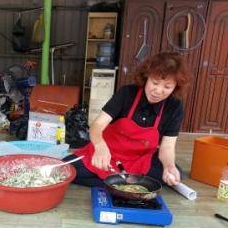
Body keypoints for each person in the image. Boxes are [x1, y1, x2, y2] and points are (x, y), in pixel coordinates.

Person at [65, 51, 189, 187]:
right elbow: (97, 125)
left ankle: (114, 180)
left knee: (174, 174)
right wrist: (100, 146)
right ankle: (125, 180)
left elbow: (167, 146)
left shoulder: (174, 106)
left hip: (140, 160)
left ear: (175, 87)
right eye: (155, 83)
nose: (158, 91)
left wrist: (169, 166)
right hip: (108, 153)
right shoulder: (127, 93)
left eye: (167, 87)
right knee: (66, 169)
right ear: (146, 77)